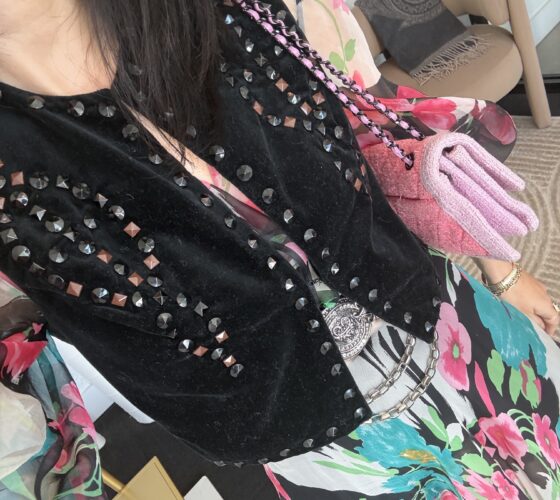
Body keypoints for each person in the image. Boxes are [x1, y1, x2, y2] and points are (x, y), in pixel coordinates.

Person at [0, 0, 558, 498]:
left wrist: (500, 266)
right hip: (327, 448)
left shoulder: (232, 10)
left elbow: (376, 127)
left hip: (451, 324)